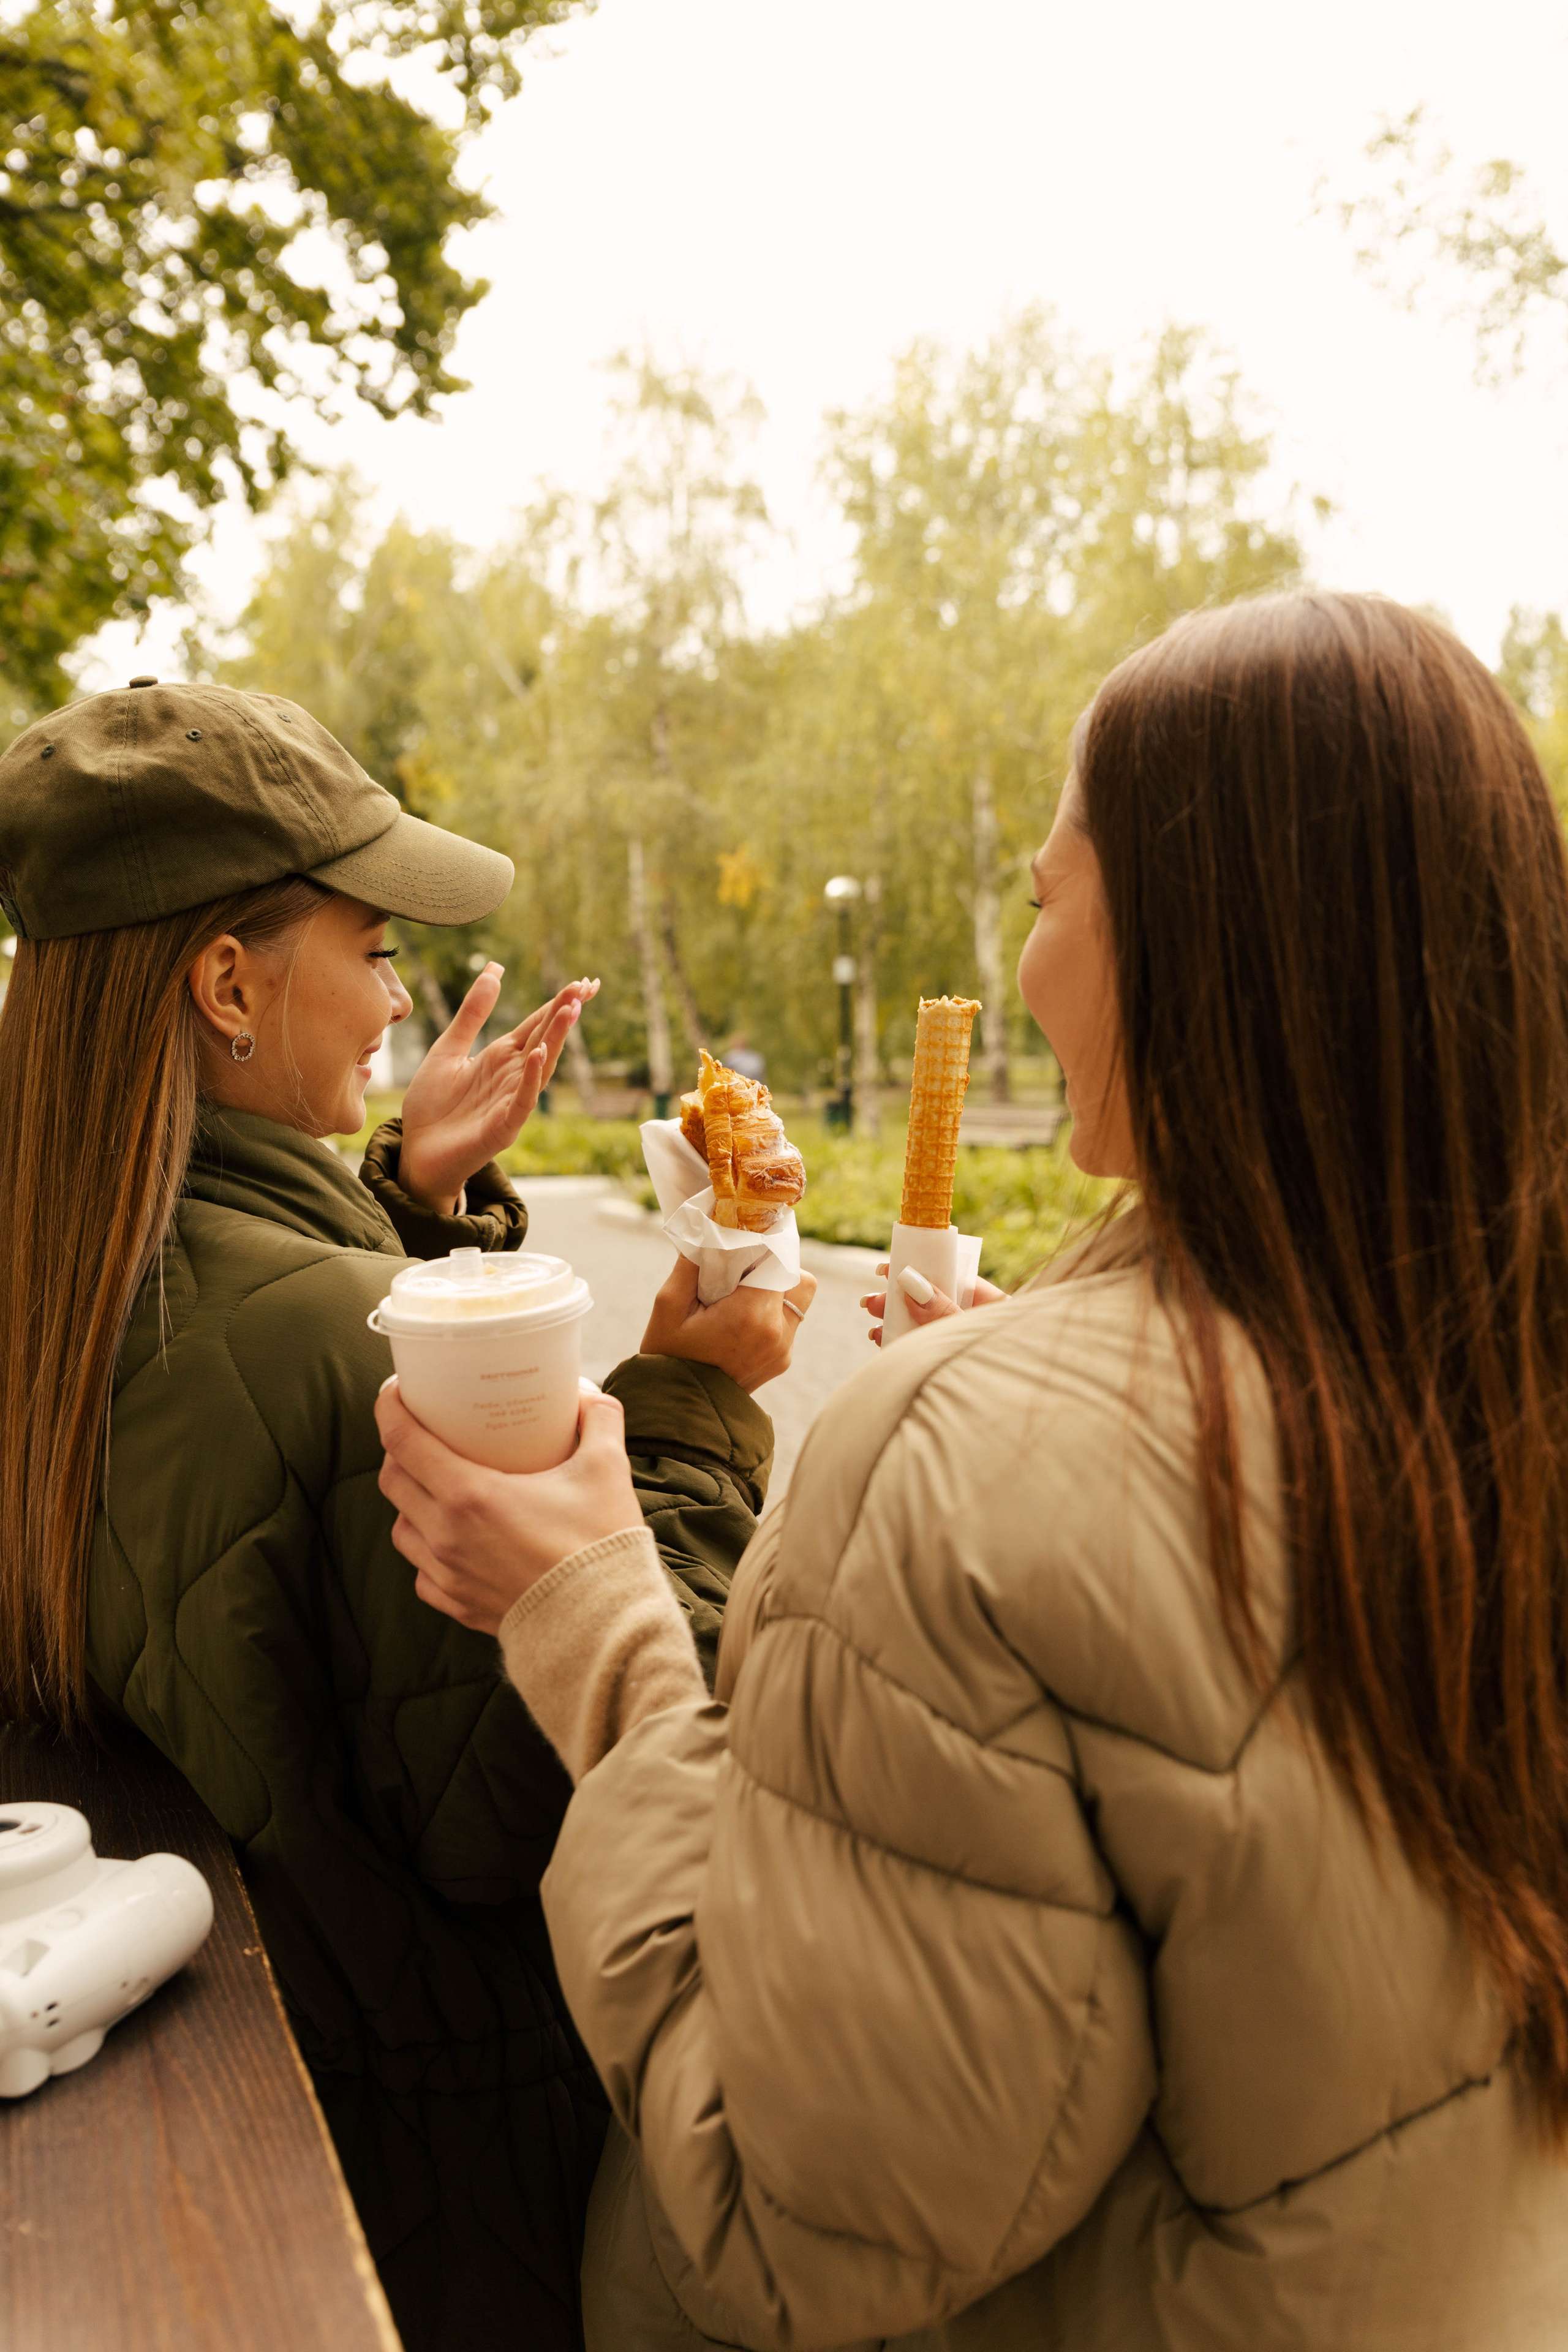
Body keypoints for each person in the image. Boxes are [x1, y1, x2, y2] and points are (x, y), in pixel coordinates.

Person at [377, 592, 1568, 2348]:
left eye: (1043, 897)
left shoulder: (956, 1465)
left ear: (1183, 943)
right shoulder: (1479, 1363)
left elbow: (789, 2226)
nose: (1025, 959)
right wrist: (1054, 1376)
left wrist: (592, 1621)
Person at [0, 678, 812, 2352]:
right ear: (229, 978)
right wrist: (691, 1407)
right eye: (370, 947)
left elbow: (239, 1473)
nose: (398, 996)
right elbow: (542, 1791)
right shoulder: (315, 1331)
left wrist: (400, 1206)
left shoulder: (56, 1275)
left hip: (224, 2073)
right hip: (438, 2180)